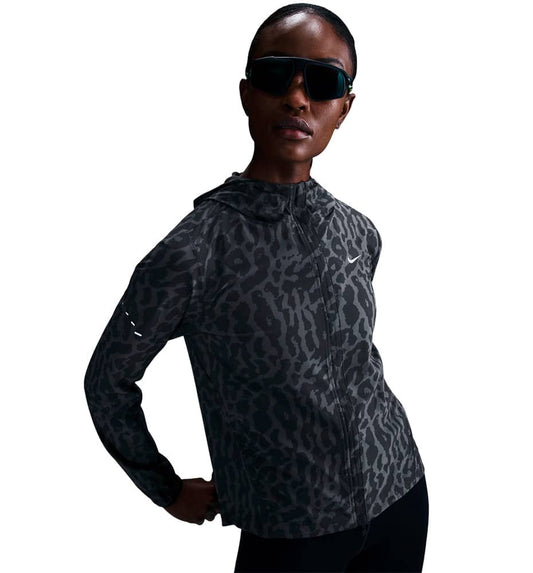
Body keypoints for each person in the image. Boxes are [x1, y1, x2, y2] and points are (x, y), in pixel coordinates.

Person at [84, 3, 429, 571]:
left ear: (344, 108)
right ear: (247, 94)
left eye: (323, 83)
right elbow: (107, 380)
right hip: (288, 528)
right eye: (276, 76)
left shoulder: (358, 231)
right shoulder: (191, 253)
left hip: (401, 494)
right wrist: (164, 487)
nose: (297, 98)